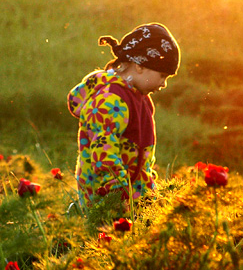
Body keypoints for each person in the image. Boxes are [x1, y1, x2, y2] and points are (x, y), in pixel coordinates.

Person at [67, 23, 180, 209]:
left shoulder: (142, 99)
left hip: (133, 196)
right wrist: (117, 192)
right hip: (106, 198)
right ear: (140, 65)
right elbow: (104, 150)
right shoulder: (110, 99)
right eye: (162, 75)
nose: (164, 84)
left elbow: (144, 157)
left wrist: (148, 192)